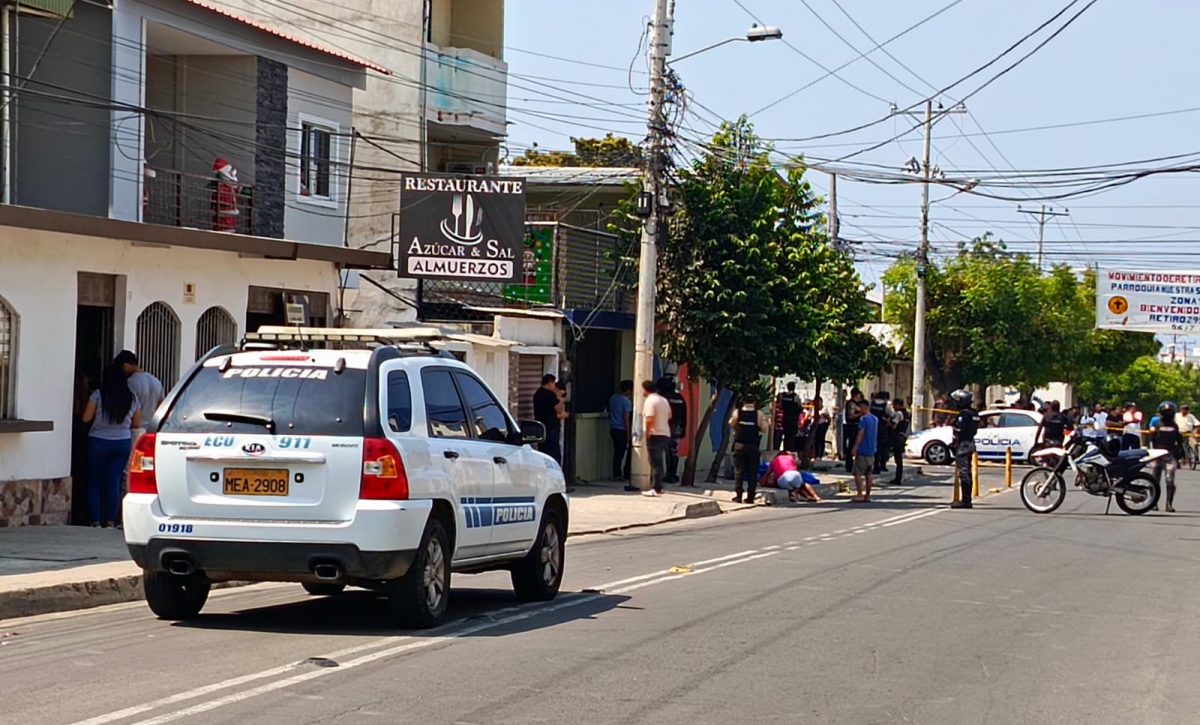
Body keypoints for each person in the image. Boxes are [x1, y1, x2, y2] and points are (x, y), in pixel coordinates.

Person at [82, 364, 142, 527]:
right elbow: (136, 423)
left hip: (98, 441)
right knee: (113, 482)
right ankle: (110, 521)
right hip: (122, 443)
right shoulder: (133, 398)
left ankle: (94, 520)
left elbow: (86, 418)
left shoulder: (97, 395)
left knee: (94, 482)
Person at [729, 396, 769, 504]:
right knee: (752, 473)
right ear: (754, 402)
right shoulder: (759, 414)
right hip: (753, 446)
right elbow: (765, 428)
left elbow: (731, 423)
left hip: (739, 446)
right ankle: (750, 497)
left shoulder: (738, 413)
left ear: (743, 402)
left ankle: (738, 496)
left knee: (739, 472)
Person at [1149, 401, 1186, 513]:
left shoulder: (1174, 426)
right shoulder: (1157, 425)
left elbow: (1179, 442)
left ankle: (1168, 504)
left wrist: (1182, 455)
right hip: (1157, 454)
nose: (1167, 414)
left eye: (1169, 412)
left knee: (1170, 480)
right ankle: (1153, 503)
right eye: (1165, 412)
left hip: (1170, 454)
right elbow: (1151, 440)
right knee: (1154, 479)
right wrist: (1151, 453)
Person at [115, 350, 164, 430]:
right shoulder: (156, 381)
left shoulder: (130, 383)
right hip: (151, 428)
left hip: (135, 429)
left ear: (126, 365)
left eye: (121, 367)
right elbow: (161, 406)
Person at [640, 380, 672, 497]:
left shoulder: (650, 401)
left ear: (645, 390)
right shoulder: (663, 400)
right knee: (659, 461)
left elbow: (649, 418)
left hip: (654, 434)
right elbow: (669, 415)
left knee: (654, 462)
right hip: (665, 433)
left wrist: (647, 433)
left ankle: (656, 488)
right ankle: (659, 485)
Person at [949, 389, 980, 509]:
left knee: (964, 472)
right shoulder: (974, 413)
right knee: (967, 471)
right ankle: (967, 499)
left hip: (963, 445)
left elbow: (960, 430)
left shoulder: (965, 414)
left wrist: (951, 427)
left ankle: (966, 500)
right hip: (970, 443)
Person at [660, 376, 688, 484]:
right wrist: (684, 429)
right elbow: (684, 416)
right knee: (674, 452)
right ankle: (673, 473)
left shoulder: (665, 398)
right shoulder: (680, 398)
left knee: (667, 452)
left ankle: (668, 475)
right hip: (677, 429)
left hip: (666, 428)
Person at [851, 399, 878, 503]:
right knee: (869, 473)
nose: (859, 409)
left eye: (860, 407)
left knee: (858, 473)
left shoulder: (863, 419)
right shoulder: (875, 419)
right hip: (872, 450)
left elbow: (860, 434)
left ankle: (859, 494)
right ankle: (868, 495)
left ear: (864, 407)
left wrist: (855, 447)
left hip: (863, 450)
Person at [608, 380, 634, 486]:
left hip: (613, 428)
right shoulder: (626, 402)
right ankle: (618, 473)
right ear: (628, 390)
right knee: (621, 453)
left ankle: (616, 473)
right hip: (622, 429)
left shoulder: (613, 398)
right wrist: (629, 433)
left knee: (617, 453)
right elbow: (626, 418)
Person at [533, 374, 563, 463]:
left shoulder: (537, 394)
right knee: (554, 453)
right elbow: (559, 410)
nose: (554, 386)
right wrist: (560, 398)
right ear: (550, 383)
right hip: (551, 428)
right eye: (554, 383)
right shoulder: (550, 395)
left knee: (543, 451)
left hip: (541, 427)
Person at [889, 398, 911, 485]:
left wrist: (888, 422)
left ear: (897, 405)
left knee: (898, 459)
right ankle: (898, 477)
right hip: (902, 437)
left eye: (894, 405)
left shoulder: (898, 413)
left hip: (897, 437)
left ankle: (898, 479)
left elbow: (894, 426)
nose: (893, 407)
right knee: (899, 459)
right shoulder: (907, 413)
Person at [842, 388, 865, 473]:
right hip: (852, 426)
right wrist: (861, 413)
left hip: (855, 426)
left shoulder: (856, 404)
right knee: (852, 445)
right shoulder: (852, 404)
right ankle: (849, 465)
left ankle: (854, 465)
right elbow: (851, 416)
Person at [778, 382, 802, 453]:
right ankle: (790, 451)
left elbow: (780, 406)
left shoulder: (783, 396)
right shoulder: (795, 396)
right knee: (791, 437)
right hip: (793, 420)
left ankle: (785, 450)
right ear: (794, 388)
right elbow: (800, 406)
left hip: (785, 419)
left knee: (786, 436)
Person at [870, 391, 890, 474]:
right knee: (882, 447)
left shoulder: (872, 403)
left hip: (872, 427)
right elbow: (891, 415)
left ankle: (874, 466)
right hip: (882, 428)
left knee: (874, 447)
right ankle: (881, 466)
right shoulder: (886, 405)